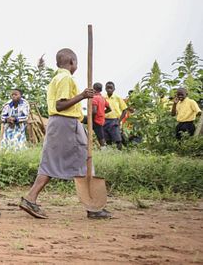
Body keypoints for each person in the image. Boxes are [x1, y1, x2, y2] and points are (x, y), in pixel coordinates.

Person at [19, 48, 112, 220]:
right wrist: (83, 95)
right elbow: (61, 105)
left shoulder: (57, 78)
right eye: (76, 63)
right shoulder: (65, 78)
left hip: (58, 123)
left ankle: (30, 198)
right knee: (85, 159)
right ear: (71, 62)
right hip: (66, 124)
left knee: (50, 162)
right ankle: (93, 207)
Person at [104, 81, 127, 150]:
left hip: (114, 120)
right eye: (107, 88)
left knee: (117, 139)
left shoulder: (118, 98)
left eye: (111, 88)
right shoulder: (103, 97)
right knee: (107, 139)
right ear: (105, 89)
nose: (109, 89)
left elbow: (124, 110)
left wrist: (119, 120)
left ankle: (119, 152)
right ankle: (110, 154)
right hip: (105, 120)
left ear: (114, 89)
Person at [90, 83, 112, 149]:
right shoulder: (102, 98)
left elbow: (94, 111)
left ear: (93, 89)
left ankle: (104, 149)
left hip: (96, 119)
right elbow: (109, 109)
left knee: (100, 136)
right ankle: (103, 148)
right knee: (100, 134)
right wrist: (102, 112)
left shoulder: (94, 98)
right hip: (101, 119)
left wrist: (91, 119)